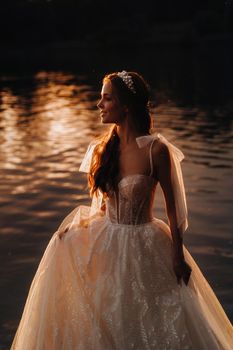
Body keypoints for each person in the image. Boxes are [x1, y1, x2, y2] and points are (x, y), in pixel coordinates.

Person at [11, 70, 233, 349]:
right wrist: (75, 233)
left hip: (146, 240)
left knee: (155, 317)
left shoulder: (156, 150)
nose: (99, 104)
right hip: (109, 240)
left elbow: (175, 210)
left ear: (126, 105)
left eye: (106, 99)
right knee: (98, 300)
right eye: (100, 98)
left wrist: (177, 255)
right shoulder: (102, 149)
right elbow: (103, 208)